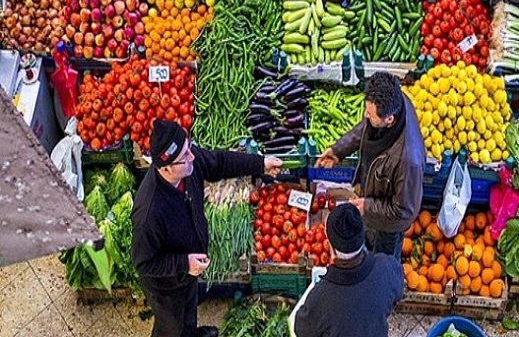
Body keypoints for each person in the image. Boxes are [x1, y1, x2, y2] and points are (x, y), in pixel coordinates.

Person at [131, 120, 283, 337]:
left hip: (188, 272)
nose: (191, 157)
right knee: (171, 327)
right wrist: (184, 263)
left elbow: (219, 162)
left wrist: (260, 163)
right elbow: (143, 262)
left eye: (189, 148)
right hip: (166, 287)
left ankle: (191, 333)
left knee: (189, 312)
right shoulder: (149, 213)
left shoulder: (188, 166)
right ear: (165, 168)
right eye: (184, 156)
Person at [315, 71, 426, 259]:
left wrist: (368, 205)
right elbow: (366, 127)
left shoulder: (409, 161)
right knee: (370, 234)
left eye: (370, 113)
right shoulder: (395, 100)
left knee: (384, 258)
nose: (365, 115)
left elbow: (404, 212)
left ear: (389, 120)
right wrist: (338, 150)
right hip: (376, 197)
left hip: (390, 224)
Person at [294, 203, 404, 337]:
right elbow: (398, 292)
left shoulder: (319, 299)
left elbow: (301, 329)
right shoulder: (388, 268)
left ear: (330, 245)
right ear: (362, 236)